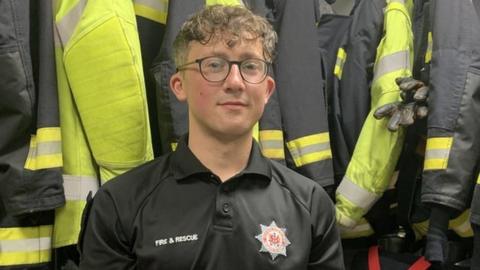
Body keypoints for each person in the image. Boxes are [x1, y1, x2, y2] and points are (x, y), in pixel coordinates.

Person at [78, 5, 344, 270]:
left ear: (267, 89)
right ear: (178, 86)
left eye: (250, 66)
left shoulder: (310, 204)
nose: (235, 81)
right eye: (215, 65)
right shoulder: (120, 203)